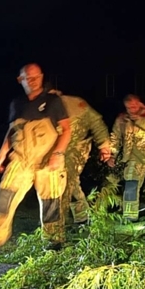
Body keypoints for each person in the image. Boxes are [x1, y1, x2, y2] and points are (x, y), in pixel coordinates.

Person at [0, 63, 71, 259]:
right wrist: (2, 152)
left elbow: (66, 130)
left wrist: (58, 154)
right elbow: (12, 130)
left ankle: (53, 245)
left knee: (51, 204)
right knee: (3, 199)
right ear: (20, 80)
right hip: (21, 160)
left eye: (36, 77)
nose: (33, 81)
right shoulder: (17, 104)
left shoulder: (53, 101)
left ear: (42, 77)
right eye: (28, 78)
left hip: (47, 161)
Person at [49, 89, 112, 226]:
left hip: (77, 147)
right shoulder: (41, 106)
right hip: (55, 150)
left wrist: (104, 145)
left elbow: (96, 122)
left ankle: (59, 221)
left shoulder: (77, 104)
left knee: (68, 180)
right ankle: (81, 216)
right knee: (66, 182)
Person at [110, 94, 145, 222]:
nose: (131, 110)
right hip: (133, 157)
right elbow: (115, 137)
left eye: (134, 107)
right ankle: (130, 216)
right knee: (131, 184)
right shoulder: (122, 118)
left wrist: (139, 120)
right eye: (128, 108)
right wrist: (111, 155)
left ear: (139, 104)